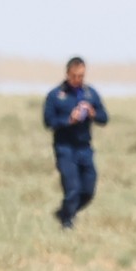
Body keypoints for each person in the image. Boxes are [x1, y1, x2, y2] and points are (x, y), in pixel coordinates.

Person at [43, 58, 108, 227]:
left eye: (81, 76)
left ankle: (64, 213)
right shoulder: (55, 95)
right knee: (72, 189)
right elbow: (49, 122)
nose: (78, 79)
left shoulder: (90, 94)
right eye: (75, 76)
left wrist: (93, 113)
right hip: (65, 148)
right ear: (68, 74)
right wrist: (68, 120)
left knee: (87, 191)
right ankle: (67, 225)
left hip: (84, 149)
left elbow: (104, 118)